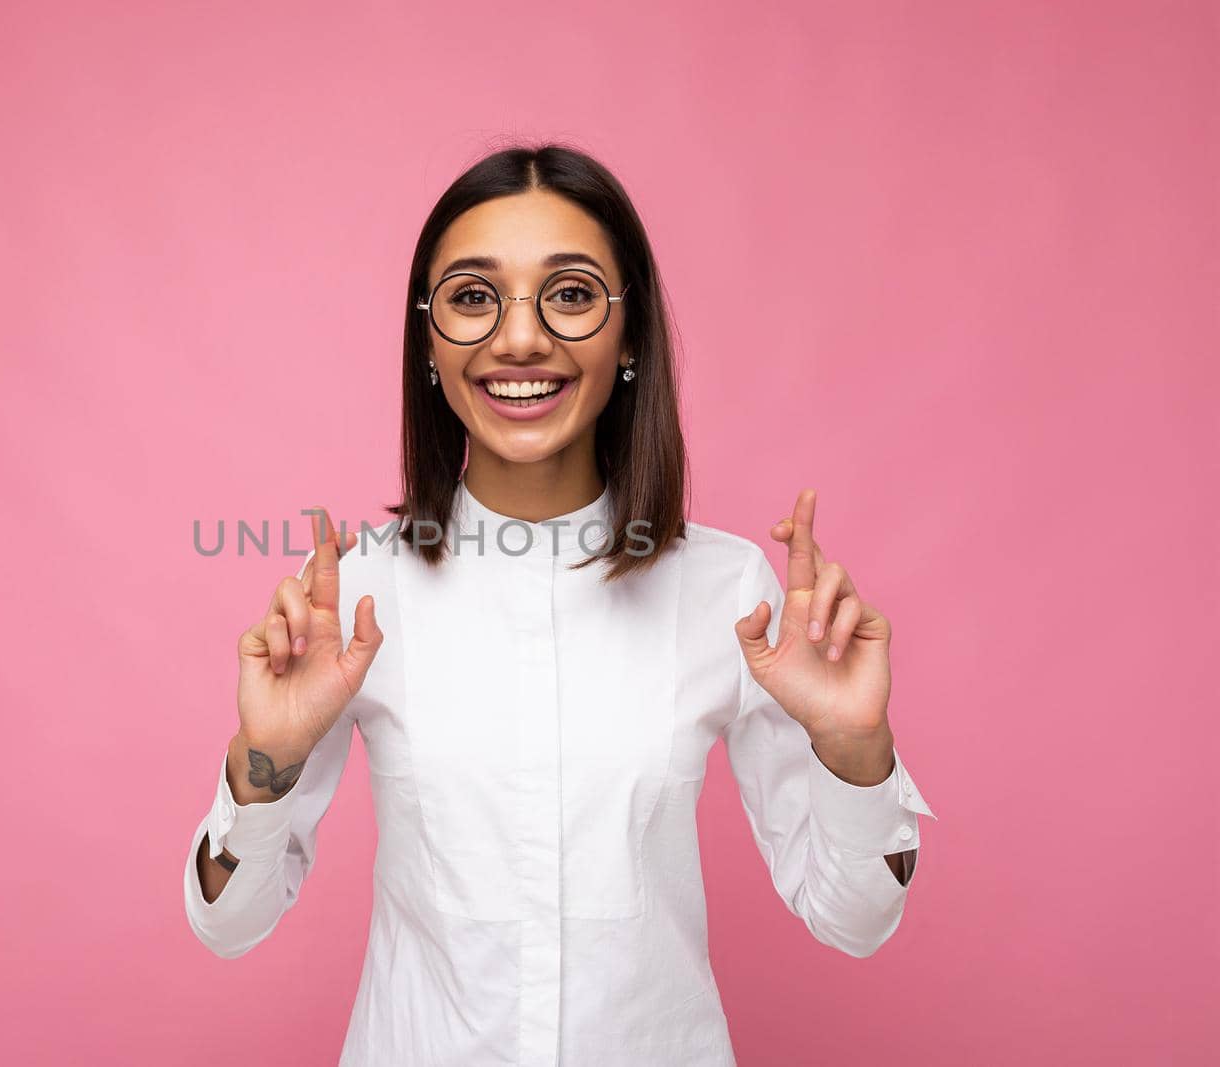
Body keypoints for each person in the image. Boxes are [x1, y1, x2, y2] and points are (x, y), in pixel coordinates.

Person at [181, 142, 937, 1066]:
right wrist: (269, 759)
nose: (520, 338)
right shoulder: (359, 593)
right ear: (428, 338)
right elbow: (228, 926)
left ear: (630, 337)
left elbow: (853, 919)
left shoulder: (728, 592)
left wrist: (856, 749)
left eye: (571, 293)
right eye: (472, 296)